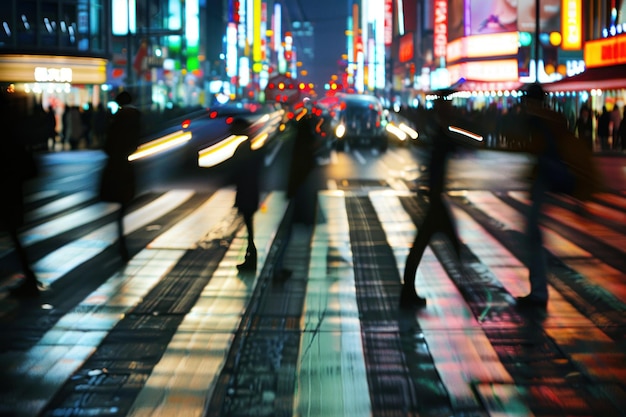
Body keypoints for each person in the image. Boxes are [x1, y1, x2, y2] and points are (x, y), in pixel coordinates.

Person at [400, 90, 463, 309]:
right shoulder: (440, 132)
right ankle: (470, 286)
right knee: (437, 243)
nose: (451, 108)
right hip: (436, 199)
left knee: (425, 244)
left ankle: (408, 289)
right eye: (448, 104)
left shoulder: (440, 130)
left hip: (436, 198)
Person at [515, 83, 570, 309]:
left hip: (544, 184)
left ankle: (539, 293)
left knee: (533, 236)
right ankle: (538, 290)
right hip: (545, 183)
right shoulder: (549, 119)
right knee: (533, 236)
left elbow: (542, 151)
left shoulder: (540, 122)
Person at [0, 91, 42, 297]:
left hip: (7, 191)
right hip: (12, 191)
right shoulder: (13, 130)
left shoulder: (7, 132)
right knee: (15, 237)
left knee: (14, 237)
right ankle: (29, 278)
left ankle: (29, 279)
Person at [99, 91, 141, 261]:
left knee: (117, 198)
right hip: (126, 162)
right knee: (124, 200)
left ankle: (120, 238)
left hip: (116, 163)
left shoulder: (118, 118)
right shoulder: (136, 117)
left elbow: (109, 144)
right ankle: (121, 238)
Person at [230, 118, 263, 272]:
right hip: (250, 192)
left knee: (249, 228)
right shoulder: (248, 145)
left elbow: (235, 169)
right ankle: (249, 257)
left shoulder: (243, 147)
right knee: (249, 228)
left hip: (246, 193)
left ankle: (251, 258)